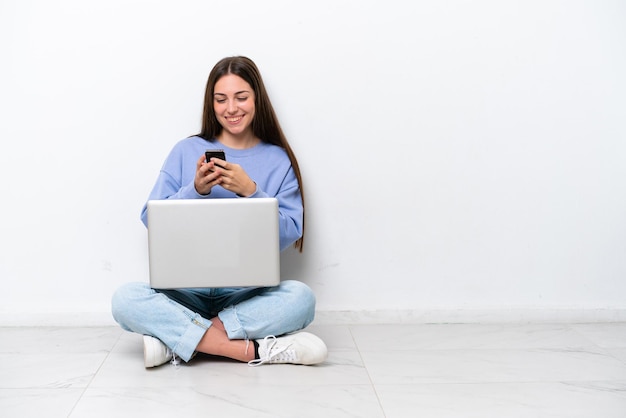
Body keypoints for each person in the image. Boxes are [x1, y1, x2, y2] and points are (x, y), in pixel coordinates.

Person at [111, 56, 327, 368]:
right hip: (185, 293)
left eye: (241, 97)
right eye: (221, 99)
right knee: (125, 299)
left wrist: (251, 190)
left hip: (245, 295)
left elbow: (290, 231)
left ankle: (179, 341)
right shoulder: (185, 151)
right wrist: (194, 190)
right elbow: (151, 218)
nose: (231, 109)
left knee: (301, 299)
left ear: (257, 99)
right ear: (210, 103)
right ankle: (250, 351)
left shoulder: (278, 160)